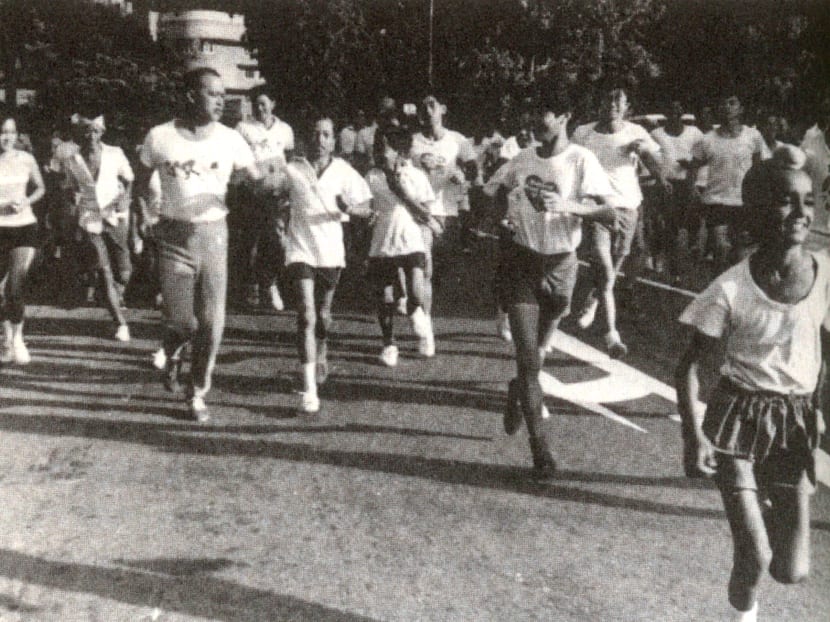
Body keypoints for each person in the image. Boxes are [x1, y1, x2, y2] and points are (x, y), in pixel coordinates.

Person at [676, 149, 826, 622]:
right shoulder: (730, 289)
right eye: (785, 201)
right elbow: (688, 368)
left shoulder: (824, 275)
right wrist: (692, 435)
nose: (801, 213)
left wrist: (821, 412)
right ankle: (743, 616)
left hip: (795, 423)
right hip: (737, 421)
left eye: (808, 201)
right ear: (759, 210)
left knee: (793, 570)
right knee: (755, 558)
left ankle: (763, 496)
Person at [484, 100, 616, 477]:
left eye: (542, 117)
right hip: (523, 264)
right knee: (528, 359)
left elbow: (609, 213)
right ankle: (541, 451)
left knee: (534, 360)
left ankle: (517, 390)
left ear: (563, 118)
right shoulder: (523, 158)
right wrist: (502, 220)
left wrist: (570, 206)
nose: (535, 124)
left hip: (562, 267)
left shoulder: (581, 160)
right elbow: (490, 191)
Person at [138, 67, 264, 422]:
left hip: (214, 237)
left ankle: (196, 391)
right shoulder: (159, 136)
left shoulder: (231, 139)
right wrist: (146, 212)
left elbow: (255, 180)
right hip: (173, 237)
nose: (221, 100)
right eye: (213, 93)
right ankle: (172, 348)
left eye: (224, 94)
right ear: (192, 95)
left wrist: (265, 181)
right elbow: (141, 175)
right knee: (182, 321)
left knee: (211, 324)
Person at [279, 117, 372, 413]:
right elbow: (275, 194)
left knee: (322, 315)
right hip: (300, 250)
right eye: (316, 134)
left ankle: (321, 351)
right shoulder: (293, 169)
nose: (321, 139)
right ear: (307, 139)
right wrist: (279, 219)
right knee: (306, 314)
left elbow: (368, 209)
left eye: (327, 135)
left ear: (334, 141)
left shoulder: (344, 171)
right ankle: (309, 388)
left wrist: (350, 209)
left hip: (330, 253)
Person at [572, 88, 669, 358]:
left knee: (615, 263)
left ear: (626, 106)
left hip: (628, 206)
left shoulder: (636, 132)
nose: (611, 104)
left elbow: (659, 165)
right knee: (602, 262)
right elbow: (570, 162)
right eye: (607, 99)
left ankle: (594, 297)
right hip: (597, 207)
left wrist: (646, 155)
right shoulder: (583, 133)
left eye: (618, 101)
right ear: (599, 103)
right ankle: (611, 333)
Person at [410, 94, 477, 355]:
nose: (427, 111)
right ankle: (426, 332)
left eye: (432, 105)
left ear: (443, 109)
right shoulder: (413, 142)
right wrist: (419, 162)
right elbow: (399, 166)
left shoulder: (457, 140)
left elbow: (473, 169)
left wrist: (463, 175)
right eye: (422, 106)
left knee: (439, 272)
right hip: (421, 212)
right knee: (424, 268)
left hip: (448, 213)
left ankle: (420, 304)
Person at [365, 124, 436, 366]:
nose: (379, 152)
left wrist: (402, 192)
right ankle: (389, 344)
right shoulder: (372, 176)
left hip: (411, 241)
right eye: (378, 147)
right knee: (385, 298)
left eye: (385, 147)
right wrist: (366, 216)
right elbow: (367, 206)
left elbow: (427, 213)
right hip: (383, 243)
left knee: (416, 291)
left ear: (400, 152)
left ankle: (419, 316)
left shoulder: (416, 176)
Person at [63, 113, 134, 341]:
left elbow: (130, 178)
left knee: (124, 273)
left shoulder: (115, 153)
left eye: (95, 130)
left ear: (101, 132)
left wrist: (126, 198)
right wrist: (73, 212)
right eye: (86, 131)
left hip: (116, 216)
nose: (90, 135)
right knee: (104, 270)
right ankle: (119, 322)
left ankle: (111, 291)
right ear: (79, 135)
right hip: (89, 218)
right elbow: (69, 187)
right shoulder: (72, 160)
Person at [687, 94, 769, 277]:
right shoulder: (707, 140)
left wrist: (761, 198)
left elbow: (760, 168)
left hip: (744, 203)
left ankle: (738, 294)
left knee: (740, 254)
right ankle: (717, 289)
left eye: (732, 103)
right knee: (721, 248)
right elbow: (692, 168)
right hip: (716, 202)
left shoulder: (753, 136)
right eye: (722, 103)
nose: (726, 107)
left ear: (740, 108)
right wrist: (693, 192)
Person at [233, 85, 294, 311]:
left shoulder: (285, 130)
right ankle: (251, 288)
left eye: (263, 104)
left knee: (277, 242)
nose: (260, 109)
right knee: (251, 242)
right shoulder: (243, 128)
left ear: (273, 104)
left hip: (277, 196)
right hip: (251, 194)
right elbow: (238, 161)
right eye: (256, 104)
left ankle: (270, 283)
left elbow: (287, 159)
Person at [0, 112, 45, 364]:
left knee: (14, 287)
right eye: (2, 132)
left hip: (24, 227)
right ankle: (6, 339)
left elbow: (41, 188)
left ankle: (18, 338)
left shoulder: (26, 159)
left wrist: (25, 200)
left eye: (10, 131)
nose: (6, 137)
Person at [650, 101, 705, 281]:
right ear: (665, 113)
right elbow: (648, 158)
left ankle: (693, 247)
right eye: (670, 110)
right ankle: (672, 269)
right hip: (665, 185)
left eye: (678, 110)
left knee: (691, 222)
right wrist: (658, 178)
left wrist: (691, 167)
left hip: (687, 184)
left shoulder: (694, 133)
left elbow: (705, 156)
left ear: (682, 112)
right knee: (668, 226)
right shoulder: (656, 134)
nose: (674, 113)